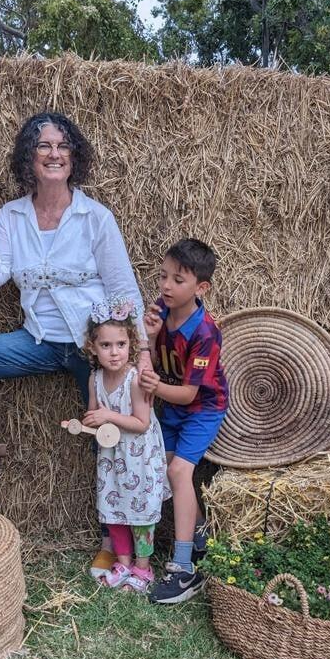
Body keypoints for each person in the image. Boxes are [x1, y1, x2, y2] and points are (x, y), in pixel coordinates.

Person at [0, 113, 152, 576]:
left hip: (89, 348)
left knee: (109, 431)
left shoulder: (94, 218)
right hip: (37, 340)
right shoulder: (13, 214)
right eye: (44, 146)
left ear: (74, 158)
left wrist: (139, 356)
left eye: (62, 146)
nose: (54, 154)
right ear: (29, 159)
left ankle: (111, 539)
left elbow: (122, 289)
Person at [139, 239, 228, 604]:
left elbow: (191, 394)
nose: (166, 286)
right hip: (171, 407)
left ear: (201, 287)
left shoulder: (205, 333)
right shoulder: (161, 309)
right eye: (163, 276)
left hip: (202, 409)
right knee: (166, 470)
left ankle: (183, 568)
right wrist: (150, 338)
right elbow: (154, 355)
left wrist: (155, 386)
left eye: (178, 280)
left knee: (179, 473)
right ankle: (201, 532)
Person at [81, 298, 169, 593]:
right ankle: (123, 563)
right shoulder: (94, 379)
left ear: (131, 344)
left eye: (120, 344)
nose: (114, 352)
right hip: (111, 457)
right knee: (113, 508)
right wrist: (90, 421)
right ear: (93, 347)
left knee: (140, 512)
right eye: (105, 345)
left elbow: (141, 423)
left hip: (139, 457)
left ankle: (142, 570)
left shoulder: (135, 380)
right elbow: (94, 413)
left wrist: (108, 415)